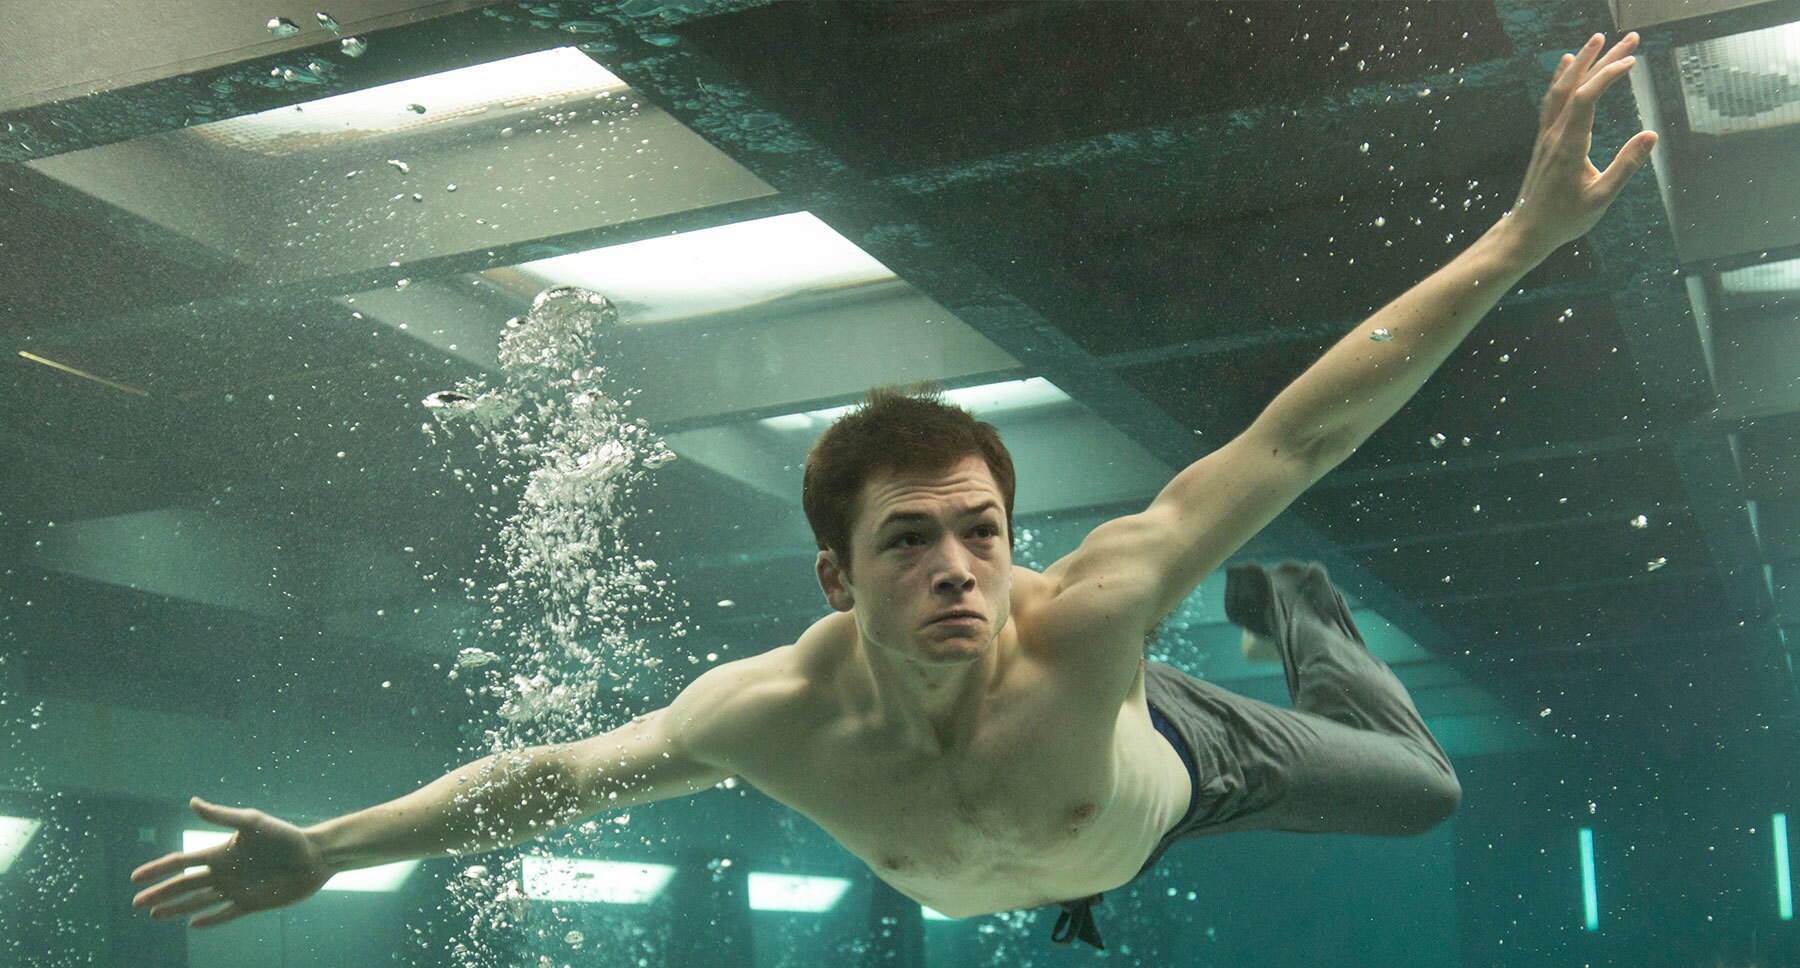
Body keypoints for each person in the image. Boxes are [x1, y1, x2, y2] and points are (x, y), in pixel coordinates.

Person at [130, 32, 1659, 950]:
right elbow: (547, 781)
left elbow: (1293, 439)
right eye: (910, 542)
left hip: (1181, 763)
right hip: (1052, 849)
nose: (959, 571)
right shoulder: (767, 716)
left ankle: (1294, 607)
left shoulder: (1088, 621)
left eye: (984, 535)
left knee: (1424, 792)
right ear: (834, 577)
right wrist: (329, 848)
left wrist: (1518, 240)